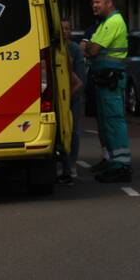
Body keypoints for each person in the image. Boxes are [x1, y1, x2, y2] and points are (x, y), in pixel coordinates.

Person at [81, 0, 132, 183]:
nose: (94, 5)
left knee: (113, 121)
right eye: (93, 2)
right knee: (105, 123)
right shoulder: (104, 23)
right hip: (104, 79)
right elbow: (88, 48)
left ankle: (122, 166)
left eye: (98, 2)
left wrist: (88, 46)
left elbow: (92, 49)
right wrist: (88, 47)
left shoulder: (113, 22)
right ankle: (112, 161)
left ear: (109, 3)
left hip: (111, 79)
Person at [57, 19, 86, 186]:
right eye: (62, 28)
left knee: (73, 131)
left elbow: (80, 80)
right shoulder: (55, 48)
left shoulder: (74, 49)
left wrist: (70, 97)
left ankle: (71, 164)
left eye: (68, 28)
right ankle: (62, 165)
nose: (65, 31)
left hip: (72, 97)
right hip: (61, 98)